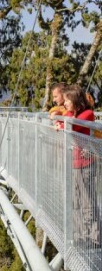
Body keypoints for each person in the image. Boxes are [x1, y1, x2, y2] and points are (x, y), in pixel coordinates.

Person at [56, 84, 101, 248]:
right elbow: (63, 120)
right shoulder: (75, 114)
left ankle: (95, 238)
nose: (64, 103)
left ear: (75, 100)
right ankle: (81, 236)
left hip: (86, 164)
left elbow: (70, 125)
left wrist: (62, 122)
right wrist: (64, 117)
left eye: (67, 100)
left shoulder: (87, 114)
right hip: (75, 163)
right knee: (76, 201)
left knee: (88, 202)